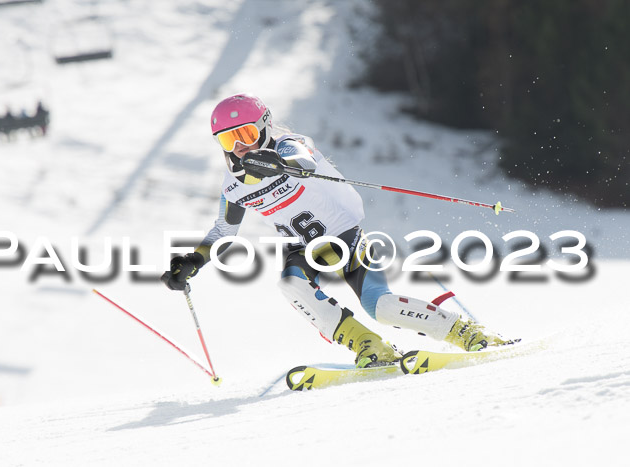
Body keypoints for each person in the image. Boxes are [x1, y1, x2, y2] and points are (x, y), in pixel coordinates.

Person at [161, 93, 514, 368]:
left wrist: (277, 165)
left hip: (346, 237)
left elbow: (304, 161)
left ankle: (466, 332)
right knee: (289, 284)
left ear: (265, 127)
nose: (239, 148)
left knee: (381, 307)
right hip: (302, 249)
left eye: (246, 135)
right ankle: (370, 347)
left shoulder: (289, 144)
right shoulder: (233, 186)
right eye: (228, 141)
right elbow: (223, 229)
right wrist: (194, 260)